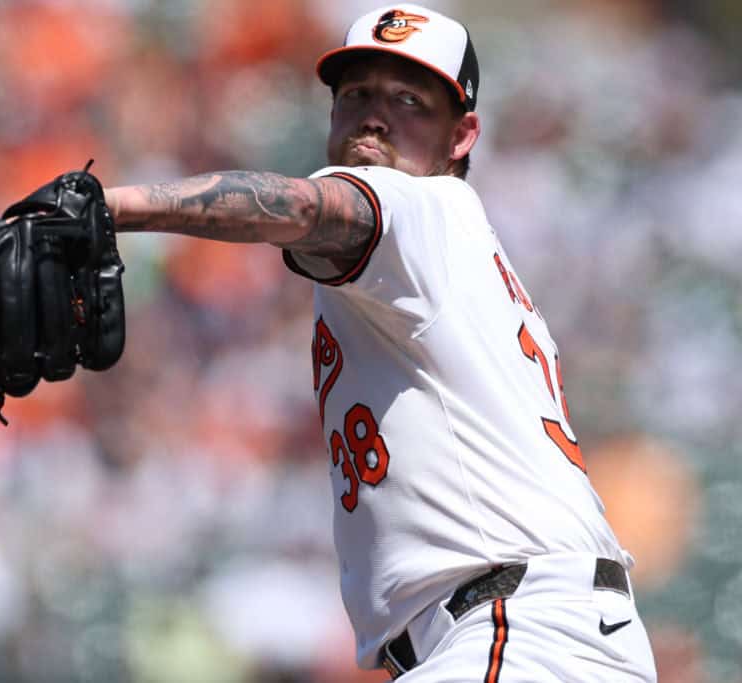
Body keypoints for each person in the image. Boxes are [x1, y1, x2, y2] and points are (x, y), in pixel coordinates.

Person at [104, 5, 657, 681]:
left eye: (408, 100)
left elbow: (309, 208)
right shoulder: (433, 262)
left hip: (521, 629)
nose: (374, 115)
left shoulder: (426, 211)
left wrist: (110, 207)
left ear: (462, 136)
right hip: (526, 634)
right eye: (357, 94)